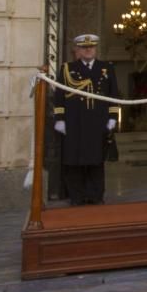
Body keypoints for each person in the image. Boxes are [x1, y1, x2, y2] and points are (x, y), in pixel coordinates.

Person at [54, 33, 119, 205]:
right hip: (75, 121)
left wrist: (113, 117)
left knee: (96, 160)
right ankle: (77, 196)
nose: (89, 50)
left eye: (91, 47)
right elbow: (59, 95)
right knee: (74, 160)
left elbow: (113, 94)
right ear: (77, 50)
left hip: (98, 120)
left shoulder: (106, 68)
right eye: (84, 47)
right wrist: (60, 118)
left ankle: (95, 195)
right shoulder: (67, 69)